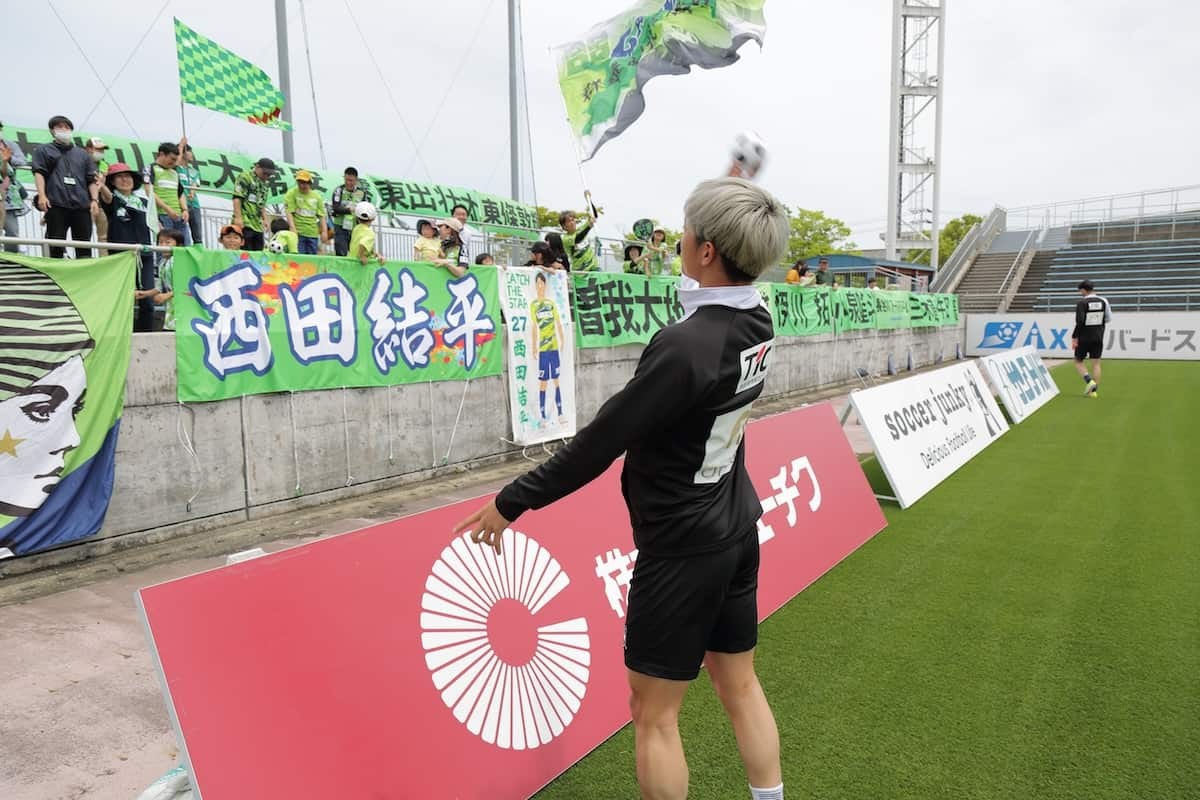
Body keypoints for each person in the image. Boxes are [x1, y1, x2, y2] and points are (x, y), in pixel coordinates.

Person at [453, 176, 789, 800]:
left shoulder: (686, 346)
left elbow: (598, 445)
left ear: (706, 250)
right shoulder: (758, 320)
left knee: (655, 715)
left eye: (686, 231)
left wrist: (510, 502)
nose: (679, 239)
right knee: (739, 684)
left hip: (684, 546)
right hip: (736, 528)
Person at [97, 161, 156, 331]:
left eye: (128, 176)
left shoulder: (144, 203)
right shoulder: (112, 199)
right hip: (121, 256)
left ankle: (147, 335)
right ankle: (123, 333)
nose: (125, 180)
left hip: (145, 255)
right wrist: (101, 186)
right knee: (124, 298)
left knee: (148, 299)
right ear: (113, 182)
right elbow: (108, 197)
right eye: (120, 177)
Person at [31, 115, 98, 259]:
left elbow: (91, 179)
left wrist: (94, 200)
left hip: (81, 206)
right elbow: (39, 173)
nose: (64, 130)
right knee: (55, 245)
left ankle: (84, 276)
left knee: (84, 246)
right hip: (56, 204)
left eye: (67, 127)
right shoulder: (43, 150)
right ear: (52, 131)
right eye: (59, 127)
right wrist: (42, 195)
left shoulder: (83, 154)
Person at [529, 271, 567, 424]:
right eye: (537, 283)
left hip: (554, 347)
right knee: (543, 381)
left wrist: (562, 339)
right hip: (543, 349)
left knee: (556, 380)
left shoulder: (551, 304)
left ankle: (560, 413)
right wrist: (533, 347)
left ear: (545, 285)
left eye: (542, 283)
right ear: (535, 285)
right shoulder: (534, 305)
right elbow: (533, 326)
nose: (540, 286)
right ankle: (543, 416)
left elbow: (558, 323)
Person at [1072, 279, 1112, 397]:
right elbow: (1108, 319)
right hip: (1098, 336)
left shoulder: (1082, 303)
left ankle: (1089, 381)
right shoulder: (1104, 301)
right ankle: (1093, 392)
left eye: (1081, 291)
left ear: (1084, 290)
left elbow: (1080, 322)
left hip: (1084, 336)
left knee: (1078, 361)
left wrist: (1075, 337)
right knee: (1096, 363)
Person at [232, 157, 275, 250]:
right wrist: (238, 217)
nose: (266, 176)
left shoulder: (265, 184)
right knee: (245, 252)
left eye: (269, 175)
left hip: (257, 225)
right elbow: (237, 197)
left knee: (259, 253)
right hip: (245, 221)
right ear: (257, 167)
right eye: (265, 173)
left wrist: (265, 219)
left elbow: (262, 203)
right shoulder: (245, 177)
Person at [150, 142, 189, 245]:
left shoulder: (174, 173)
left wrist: (185, 209)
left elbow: (180, 193)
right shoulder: (151, 169)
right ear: (162, 154)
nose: (174, 162)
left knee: (185, 247)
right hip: (162, 215)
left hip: (179, 217)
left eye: (176, 160)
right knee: (164, 249)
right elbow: (150, 193)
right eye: (172, 159)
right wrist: (168, 209)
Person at [329, 167, 370, 257]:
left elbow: (365, 210)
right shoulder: (339, 190)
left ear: (356, 180)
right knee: (341, 254)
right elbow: (335, 208)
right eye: (346, 180)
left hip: (355, 228)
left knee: (355, 253)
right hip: (340, 227)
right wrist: (349, 210)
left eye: (351, 180)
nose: (348, 183)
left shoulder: (362, 193)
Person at [285, 169, 326, 255]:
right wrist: (292, 228)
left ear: (310, 183)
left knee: (311, 260)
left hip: (312, 234)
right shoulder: (292, 193)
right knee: (299, 258)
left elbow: (322, 216)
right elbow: (289, 212)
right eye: (300, 182)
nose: (302, 185)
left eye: (305, 182)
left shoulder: (317, 197)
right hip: (298, 233)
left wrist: (324, 232)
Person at [0, 122, 28, 248]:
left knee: (12, 231)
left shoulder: (9, 145)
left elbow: (22, 161)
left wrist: (9, 159)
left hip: (8, 196)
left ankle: (10, 261)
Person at [154, 229, 185, 331]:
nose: (163, 245)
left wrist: (166, 295)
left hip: (182, 307)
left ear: (178, 245)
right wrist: (143, 293)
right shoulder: (162, 262)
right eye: (160, 242)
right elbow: (158, 288)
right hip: (171, 308)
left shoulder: (178, 260)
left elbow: (184, 285)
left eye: (168, 242)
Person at [560, 193, 599, 272]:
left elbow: (594, 215)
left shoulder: (581, 228)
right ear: (564, 226)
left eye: (573, 219)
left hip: (594, 268)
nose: (572, 222)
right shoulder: (565, 239)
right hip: (580, 271)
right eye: (569, 221)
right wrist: (589, 226)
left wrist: (589, 200)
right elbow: (578, 239)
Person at [177, 139, 204, 247]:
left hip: (194, 204)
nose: (192, 154)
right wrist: (180, 146)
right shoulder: (176, 168)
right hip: (180, 204)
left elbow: (195, 183)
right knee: (181, 231)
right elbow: (176, 162)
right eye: (189, 151)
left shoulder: (194, 170)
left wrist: (192, 192)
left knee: (197, 233)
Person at [85, 137, 110, 242]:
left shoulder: (104, 165)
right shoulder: (81, 162)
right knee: (85, 235)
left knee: (104, 237)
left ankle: (104, 258)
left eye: (102, 150)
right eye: (98, 149)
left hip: (100, 205)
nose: (101, 152)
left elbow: (102, 183)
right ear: (88, 149)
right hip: (85, 204)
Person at [350, 201, 385, 266]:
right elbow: (362, 244)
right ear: (373, 218)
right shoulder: (370, 233)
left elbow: (363, 247)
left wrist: (376, 255)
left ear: (357, 217)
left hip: (350, 262)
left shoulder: (356, 228)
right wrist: (361, 256)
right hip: (359, 267)